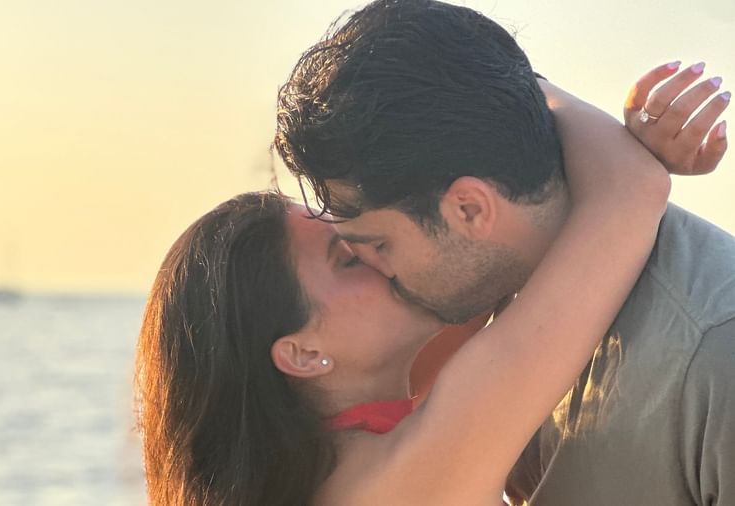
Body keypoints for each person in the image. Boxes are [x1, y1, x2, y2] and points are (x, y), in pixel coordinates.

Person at [135, 65, 727, 503]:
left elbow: (488, 264)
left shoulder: (336, 452)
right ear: (304, 354)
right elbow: (628, 192)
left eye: (363, 233)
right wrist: (509, 77)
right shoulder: (403, 478)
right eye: (349, 259)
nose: (378, 257)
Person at [273, 1, 732, 504]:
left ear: (469, 209)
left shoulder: (714, 352)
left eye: (380, 245)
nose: (377, 273)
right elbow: (630, 184)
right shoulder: (492, 314)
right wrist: (520, 92)